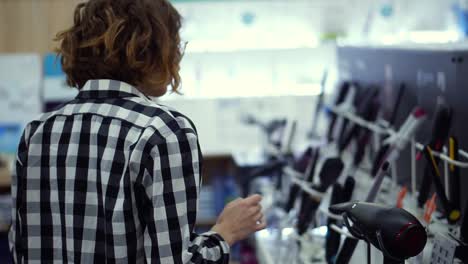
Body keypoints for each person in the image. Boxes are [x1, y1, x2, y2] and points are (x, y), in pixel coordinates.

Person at [8, 0, 266, 263]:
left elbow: (21, 249)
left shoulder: (37, 132)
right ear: (153, 50)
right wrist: (225, 232)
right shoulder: (164, 132)